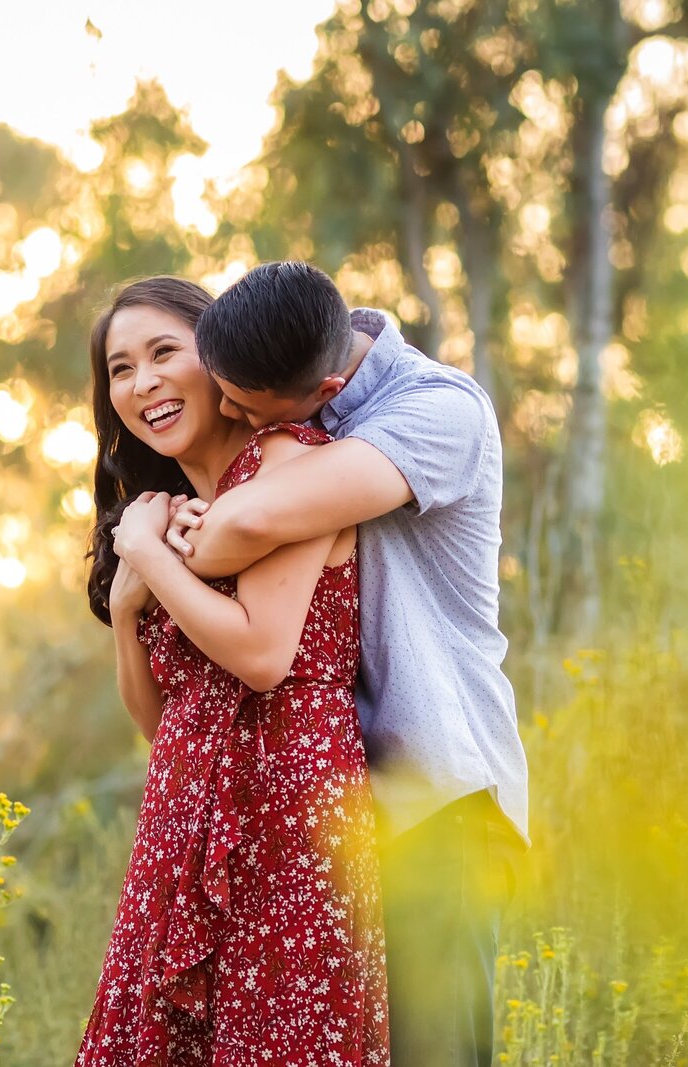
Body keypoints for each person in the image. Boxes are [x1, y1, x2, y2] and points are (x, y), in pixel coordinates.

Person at [168, 260, 529, 1067]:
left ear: (328, 387)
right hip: (346, 816)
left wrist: (178, 541)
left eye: (244, 405)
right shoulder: (293, 366)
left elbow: (248, 519)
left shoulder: (437, 410)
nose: (228, 412)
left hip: (440, 803)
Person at [77, 276, 389, 1066]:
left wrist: (147, 553)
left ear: (216, 362)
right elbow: (164, 721)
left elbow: (260, 657)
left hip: (288, 823)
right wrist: (124, 608)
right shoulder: (168, 506)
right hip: (180, 827)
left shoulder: (291, 469)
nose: (142, 382)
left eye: (161, 353)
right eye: (119, 368)